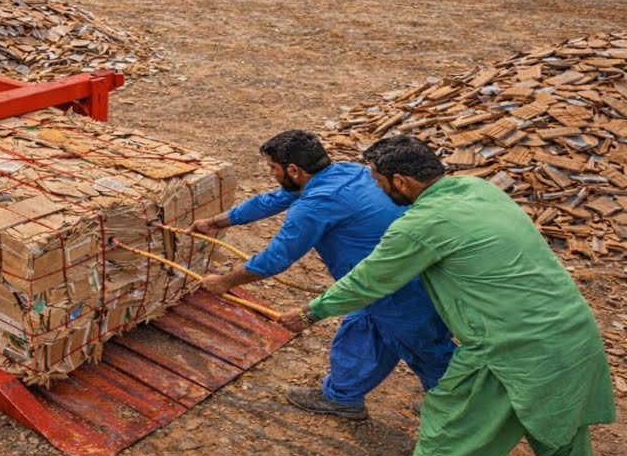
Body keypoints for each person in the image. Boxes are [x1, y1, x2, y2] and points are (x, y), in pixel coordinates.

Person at [281, 135, 615, 456]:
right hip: (572, 329)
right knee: (559, 416)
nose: (374, 186)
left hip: (510, 345)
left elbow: (369, 281)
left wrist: (310, 313)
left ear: (401, 181)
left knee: (455, 415)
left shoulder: (421, 224)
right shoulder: (478, 189)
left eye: (377, 180)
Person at [191, 130, 455, 420]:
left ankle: (457, 407)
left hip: (400, 285)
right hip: (370, 285)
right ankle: (342, 397)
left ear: (293, 170)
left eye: (273, 168)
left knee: (426, 347)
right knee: (361, 332)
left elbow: (274, 260)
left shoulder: (314, 206)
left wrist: (224, 282)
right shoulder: (348, 171)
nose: (271, 174)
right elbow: (271, 201)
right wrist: (214, 222)